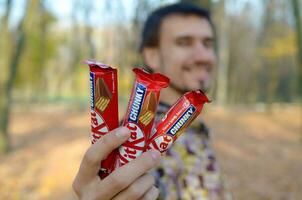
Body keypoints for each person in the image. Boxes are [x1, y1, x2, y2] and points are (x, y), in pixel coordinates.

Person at [73, 2, 230, 200]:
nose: (203, 56)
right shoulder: (131, 143)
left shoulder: (196, 128)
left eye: (208, 44)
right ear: (152, 55)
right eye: (184, 42)